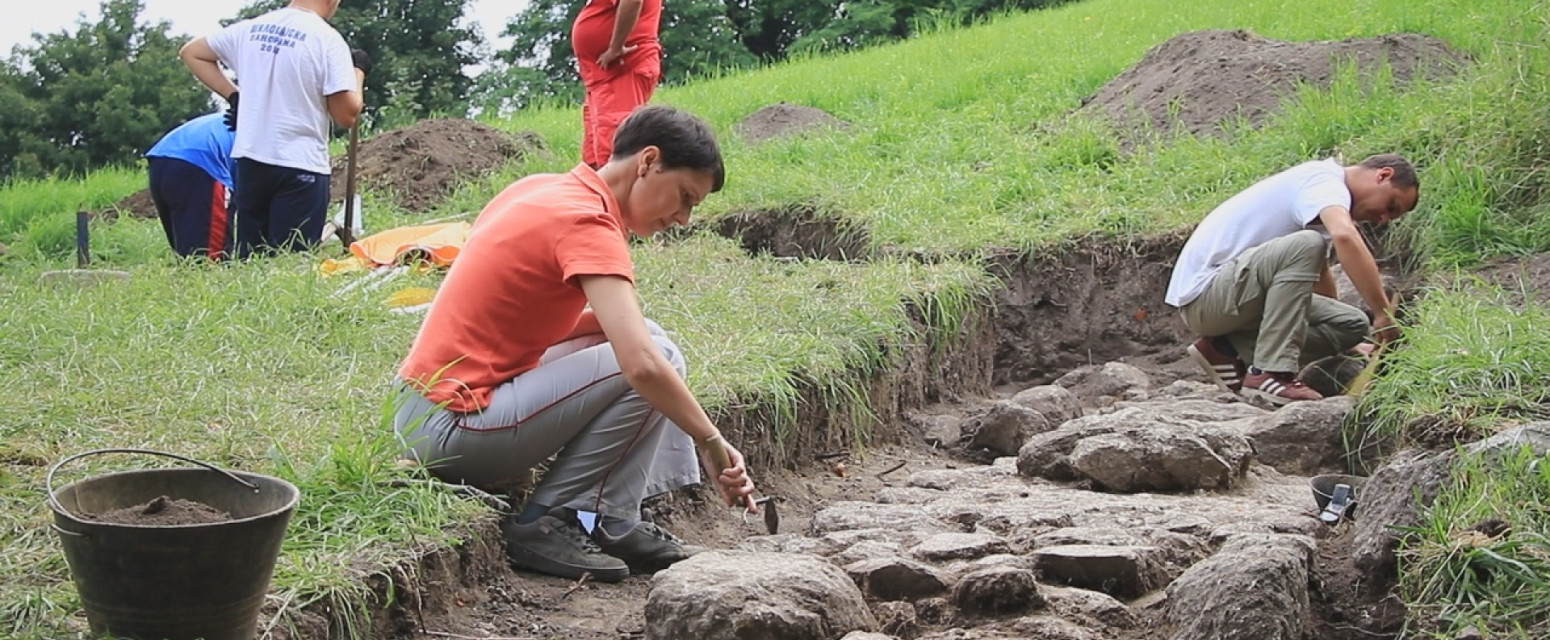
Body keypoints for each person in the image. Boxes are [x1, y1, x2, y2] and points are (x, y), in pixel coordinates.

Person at [392, 105, 757, 583]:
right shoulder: (587, 222)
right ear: (648, 162)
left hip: (421, 409)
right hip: (451, 427)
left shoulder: (544, 188)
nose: (684, 218)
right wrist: (710, 441)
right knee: (653, 355)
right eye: (684, 197)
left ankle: (612, 519)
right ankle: (551, 519)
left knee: (648, 336)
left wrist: (613, 330)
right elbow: (642, 367)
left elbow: (515, 316)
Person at [1165, 154, 1419, 405]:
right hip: (1206, 296)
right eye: (1391, 206)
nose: (1383, 219)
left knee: (1350, 323)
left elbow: (1319, 277)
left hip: (1236, 299)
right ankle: (1270, 372)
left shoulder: (1321, 209)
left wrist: (1345, 346)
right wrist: (1382, 313)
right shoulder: (1324, 181)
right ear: (1383, 175)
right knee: (1307, 244)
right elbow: (1345, 236)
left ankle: (1226, 349)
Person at [178, 0, 368, 258]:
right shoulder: (327, 40)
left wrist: (235, 96)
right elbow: (346, 115)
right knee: (291, 264)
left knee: (251, 263)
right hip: (300, 166)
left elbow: (192, 52)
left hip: (250, 161)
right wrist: (357, 74)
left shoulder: (251, 29)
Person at [571, 0, 662, 169]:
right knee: (595, 159)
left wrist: (615, 47)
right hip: (602, 77)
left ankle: (617, 195)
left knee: (616, 153)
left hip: (621, 70)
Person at [145, 112, 237, 260]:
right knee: (208, 261)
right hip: (203, 162)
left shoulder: (240, 118)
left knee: (188, 255)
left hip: (162, 158)